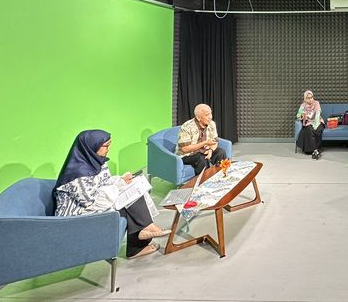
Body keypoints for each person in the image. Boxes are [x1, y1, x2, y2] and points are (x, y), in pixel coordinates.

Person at [53, 130, 171, 258]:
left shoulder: (97, 161)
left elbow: (105, 182)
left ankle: (145, 231)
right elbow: (91, 201)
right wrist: (117, 188)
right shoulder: (77, 174)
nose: (108, 149)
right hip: (77, 213)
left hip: (94, 203)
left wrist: (121, 180)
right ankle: (139, 242)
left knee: (134, 192)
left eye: (109, 145)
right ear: (91, 147)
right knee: (127, 205)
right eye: (105, 146)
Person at [176, 103, 226, 175]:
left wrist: (210, 150)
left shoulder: (212, 124)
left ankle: (221, 175)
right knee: (201, 158)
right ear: (198, 118)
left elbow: (215, 141)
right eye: (207, 115)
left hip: (205, 150)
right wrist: (205, 143)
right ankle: (204, 180)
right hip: (188, 155)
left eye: (210, 114)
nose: (210, 117)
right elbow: (185, 149)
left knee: (221, 152)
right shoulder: (187, 127)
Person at [296, 90, 325, 159]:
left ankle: (314, 150)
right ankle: (315, 150)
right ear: (305, 99)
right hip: (308, 122)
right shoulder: (303, 106)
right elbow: (298, 115)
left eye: (311, 97)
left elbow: (317, 115)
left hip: (318, 122)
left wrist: (315, 125)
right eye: (308, 98)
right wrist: (301, 115)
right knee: (308, 129)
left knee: (316, 130)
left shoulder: (316, 103)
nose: (310, 99)